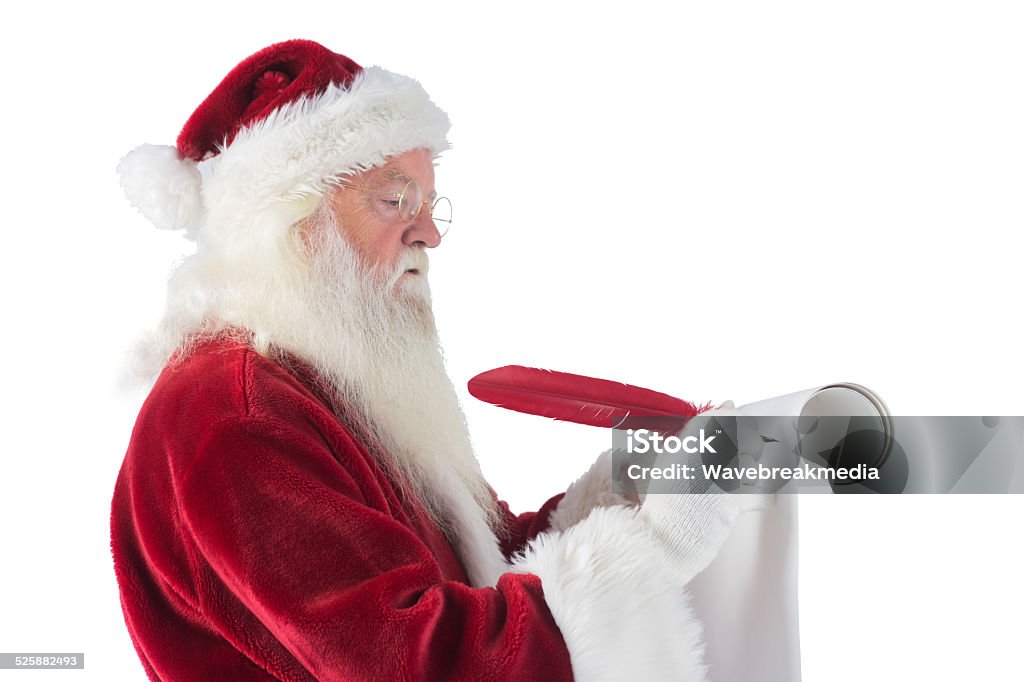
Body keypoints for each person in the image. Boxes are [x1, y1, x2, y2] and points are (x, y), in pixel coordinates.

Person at [111, 39, 777, 681]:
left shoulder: (323, 383)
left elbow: (473, 574)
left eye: (429, 205)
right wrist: (657, 546)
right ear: (290, 227)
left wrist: (623, 493)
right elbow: (418, 662)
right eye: (394, 200)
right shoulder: (236, 419)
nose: (427, 232)